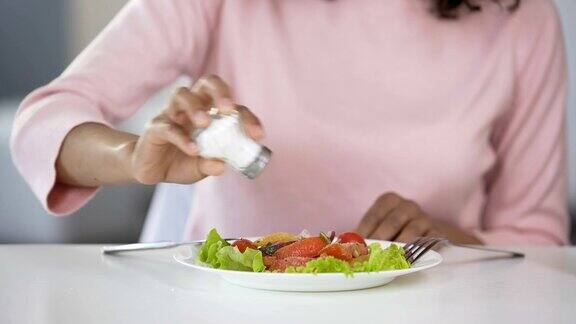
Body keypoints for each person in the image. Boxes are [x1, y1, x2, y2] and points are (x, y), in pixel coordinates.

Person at [10, 0, 570, 245]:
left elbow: (536, 239)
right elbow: (44, 123)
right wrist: (132, 158)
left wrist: (444, 240)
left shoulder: (520, 20)